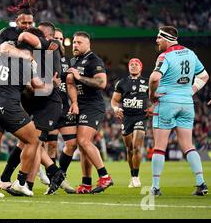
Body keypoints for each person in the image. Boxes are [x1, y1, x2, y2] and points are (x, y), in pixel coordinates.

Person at [0, 28, 56, 198]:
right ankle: (21, 182)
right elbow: (38, 86)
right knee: (33, 140)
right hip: (9, 106)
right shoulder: (28, 62)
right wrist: (52, 83)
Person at [149, 26, 210, 196]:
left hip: (167, 102)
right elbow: (204, 76)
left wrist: (151, 94)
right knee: (188, 146)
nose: (156, 41)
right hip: (186, 103)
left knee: (159, 147)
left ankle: (155, 187)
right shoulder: (190, 53)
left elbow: (154, 77)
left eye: (159, 38)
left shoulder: (165, 55)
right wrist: (191, 91)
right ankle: (201, 183)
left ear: (167, 39)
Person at [66, 31, 113, 194]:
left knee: (83, 141)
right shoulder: (74, 60)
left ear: (88, 44)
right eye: (74, 42)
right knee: (82, 144)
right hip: (80, 105)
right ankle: (86, 183)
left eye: (79, 42)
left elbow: (101, 83)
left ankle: (105, 176)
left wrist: (79, 77)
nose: (75, 45)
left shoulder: (94, 60)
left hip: (93, 106)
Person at [111, 58, 150, 188]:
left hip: (141, 117)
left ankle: (136, 176)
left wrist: (153, 108)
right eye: (131, 64)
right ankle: (132, 175)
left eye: (136, 64)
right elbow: (114, 101)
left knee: (136, 146)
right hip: (126, 118)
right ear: (128, 67)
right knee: (129, 149)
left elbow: (156, 98)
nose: (133, 66)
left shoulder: (147, 82)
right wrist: (116, 109)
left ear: (141, 67)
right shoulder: (121, 83)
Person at [47, 28, 78, 193]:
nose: (58, 40)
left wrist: (75, 102)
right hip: (50, 106)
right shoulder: (45, 58)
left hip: (65, 108)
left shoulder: (71, 62)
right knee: (50, 144)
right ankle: (52, 178)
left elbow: (73, 84)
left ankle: (61, 177)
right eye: (55, 38)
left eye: (60, 38)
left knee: (72, 144)